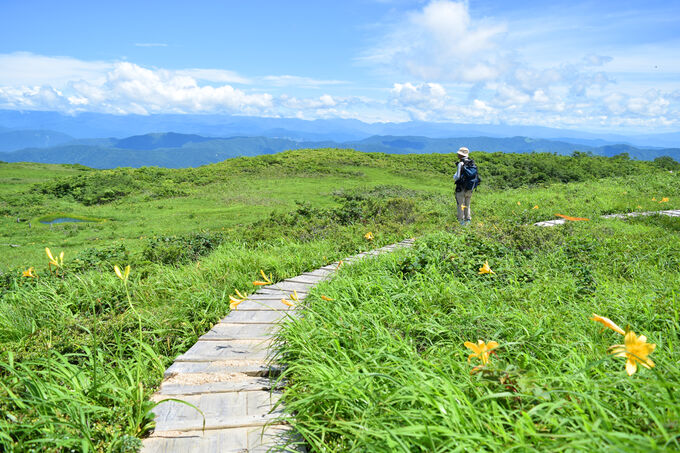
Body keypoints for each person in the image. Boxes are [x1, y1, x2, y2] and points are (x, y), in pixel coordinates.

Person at [453, 147, 480, 225]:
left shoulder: (461, 164)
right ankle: (468, 221)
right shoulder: (472, 163)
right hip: (470, 189)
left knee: (460, 205)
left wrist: (454, 177)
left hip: (461, 189)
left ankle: (461, 222)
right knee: (467, 205)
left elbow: (457, 177)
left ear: (461, 155)